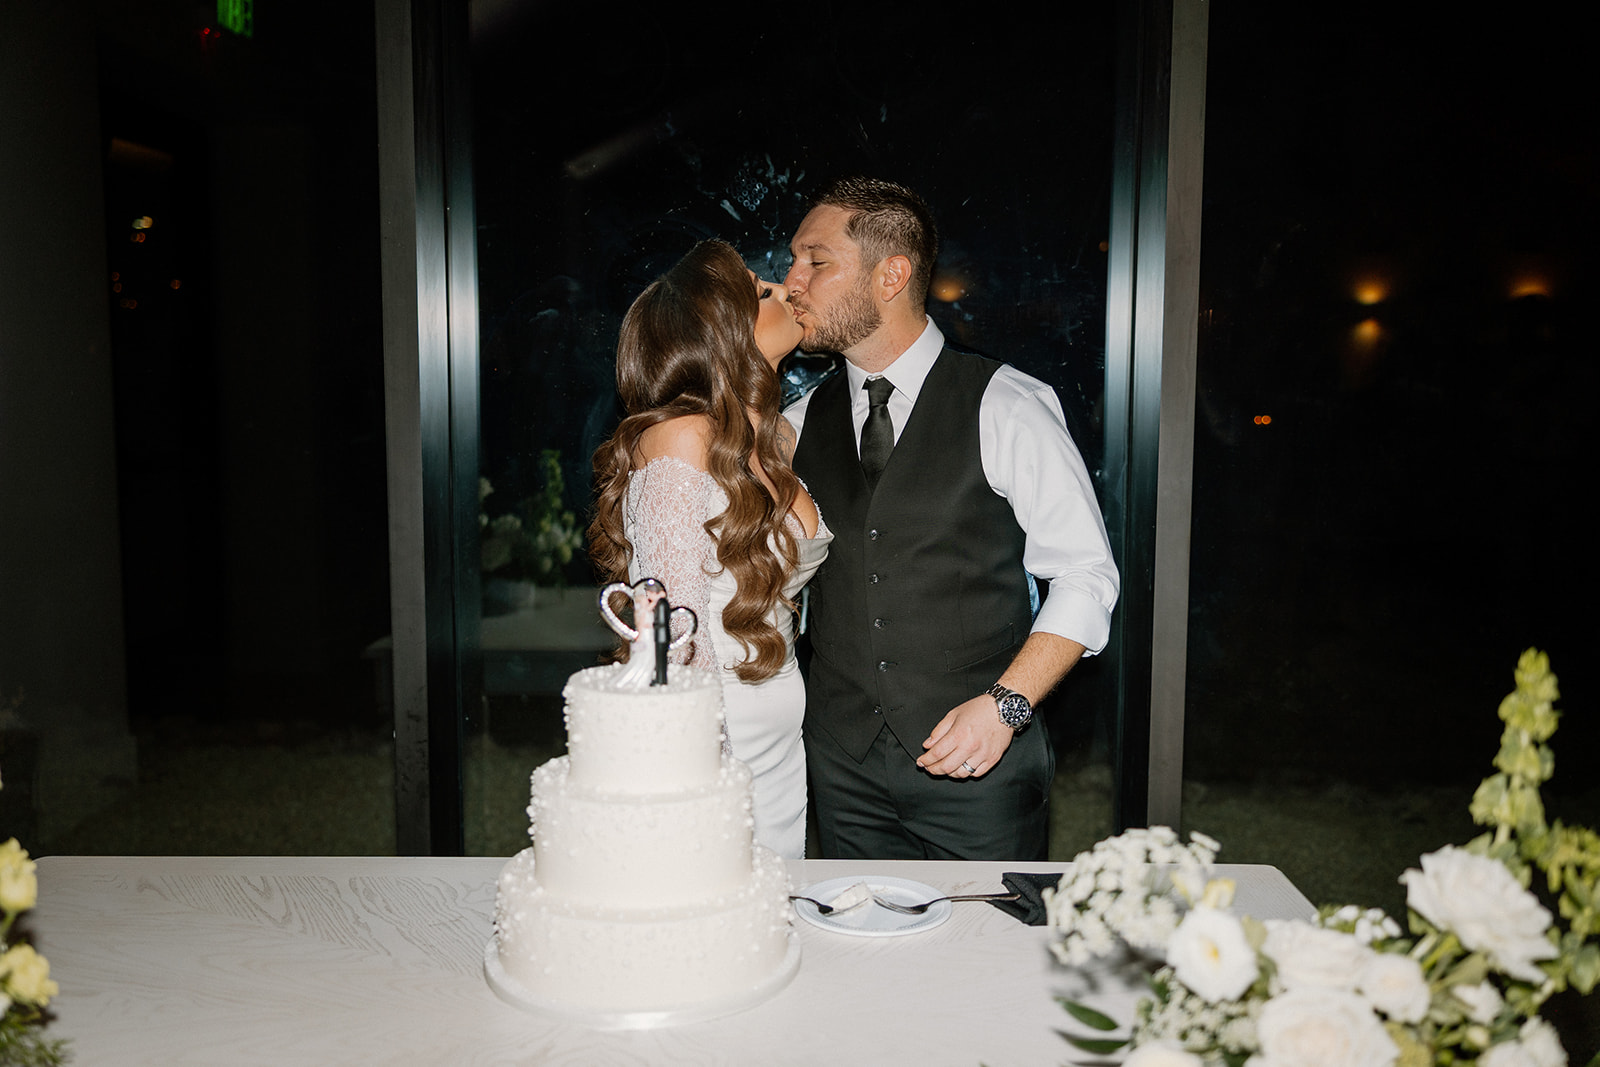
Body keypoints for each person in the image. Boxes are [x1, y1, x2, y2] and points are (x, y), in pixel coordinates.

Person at [783, 177, 1119, 861]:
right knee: (863, 959)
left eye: (816, 261)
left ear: (891, 275)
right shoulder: (795, 424)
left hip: (981, 772)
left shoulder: (1008, 405)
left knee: (987, 962)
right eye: (794, 260)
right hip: (840, 768)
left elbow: (1086, 576)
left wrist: (1007, 707)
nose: (793, 281)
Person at [589, 239, 832, 859]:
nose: (783, 291)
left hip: (781, 746)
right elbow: (677, 629)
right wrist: (703, 775)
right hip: (712, 749)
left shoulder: (772, 442)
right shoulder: (678, 439)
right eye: (760, 291)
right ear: (720, 330)